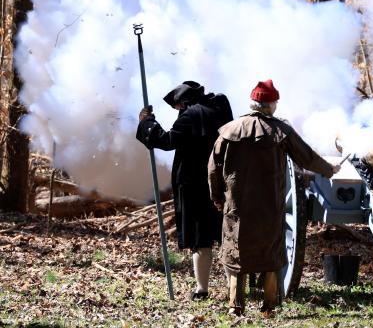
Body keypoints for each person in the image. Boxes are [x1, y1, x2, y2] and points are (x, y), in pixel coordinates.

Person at [207, 79, 341, 317]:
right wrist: (329, 169)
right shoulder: (280, 131)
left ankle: (235, 306)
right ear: (270, 105)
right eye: (275, 102)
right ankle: (269, 306)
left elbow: (213, 170)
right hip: (269, 205)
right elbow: (306, 157)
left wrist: (217, 197)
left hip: (236, 206)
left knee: (238, 251)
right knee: (269, 252)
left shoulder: (229, 131)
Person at [136, 81, 233, 300]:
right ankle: (233, 288)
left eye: (177, 107)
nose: (178, 111)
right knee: (225, 237)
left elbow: (166, 140)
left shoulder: (190, 116)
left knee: (200, 240)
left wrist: (147, 123)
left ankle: (201, 290)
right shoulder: (220, 108)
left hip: (194, 185)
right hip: (221, 180)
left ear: (183, 102)